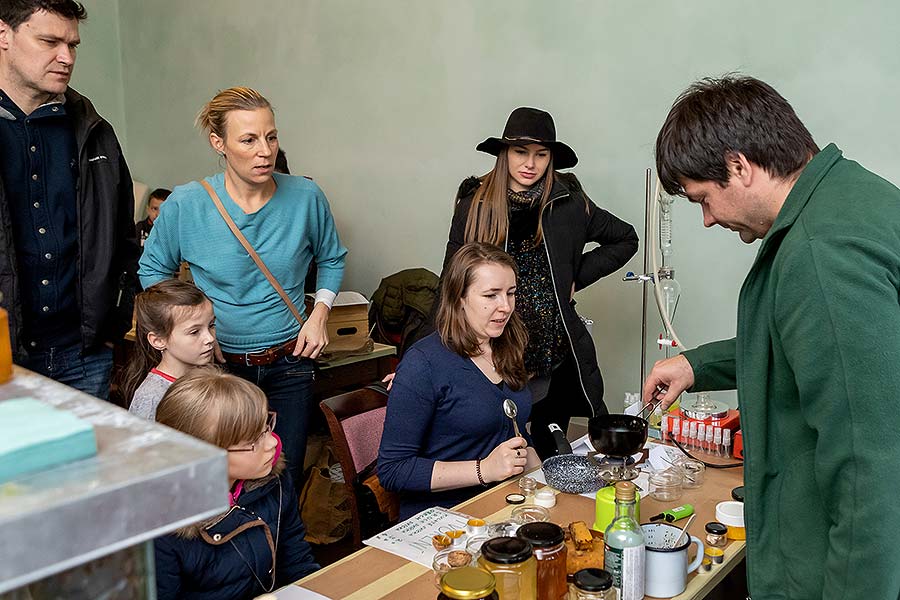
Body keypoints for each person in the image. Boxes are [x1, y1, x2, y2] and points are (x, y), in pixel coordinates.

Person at [643, 75, 900, 600]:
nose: (709, 219)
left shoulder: (819, 254)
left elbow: (870, 466)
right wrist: (699, 365)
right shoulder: (850, 197)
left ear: (739, 165)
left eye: (703, 199)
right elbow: (818, 346)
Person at [139, 86, 347, 486]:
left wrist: (319, 314)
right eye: (248, 140)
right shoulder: (186, 204)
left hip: (290, 362)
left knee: (284, 478)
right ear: (219, 143)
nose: (264, 151)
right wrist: (194, 330)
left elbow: (331, 257)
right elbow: (154, 272)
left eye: (270, 137)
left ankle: (283, 549)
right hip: (218, 368)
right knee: (225, 485)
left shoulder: (305, 196)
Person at [441, 107, 638, 458]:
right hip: (495, 348)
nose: (530, 163)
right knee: (499, 453)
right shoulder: (474, 206)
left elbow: (626, 238)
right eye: (520, 152)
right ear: (504, 154)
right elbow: (450, 284)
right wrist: (420, 361)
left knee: (552, 453)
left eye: (541, 155)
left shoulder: (570, 203)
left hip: (552, 352)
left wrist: (577, 276)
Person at [0, 0, 137, 399]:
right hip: (5, 359)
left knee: (89, 463)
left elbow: (125, 240)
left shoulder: (94, 131)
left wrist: (115, 321)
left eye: (73, 45)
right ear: (4, 34)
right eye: (49, 41)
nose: (66, 57)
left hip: (83, 356)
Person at [378, 243, 541, 519]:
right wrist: (484, 470)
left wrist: (542, 472)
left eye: (511, 293)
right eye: (491, 295)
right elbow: (394, 470)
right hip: (443, 519)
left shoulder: (505, 346)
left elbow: (510, 431)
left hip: (501, 503)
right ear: (459, 299)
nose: (505, 307)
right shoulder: (423, 364)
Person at [153, 367, 319, 599]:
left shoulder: (273, 480)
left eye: (266, 426)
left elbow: (296, 558)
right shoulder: (161, 531)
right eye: (253, 440)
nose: (272, 442)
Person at [123, 279, 216, 420]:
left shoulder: (208, 373)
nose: (210, 338)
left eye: (211, 325)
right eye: (194, 332)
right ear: (158, 341)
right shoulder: (152, 397)